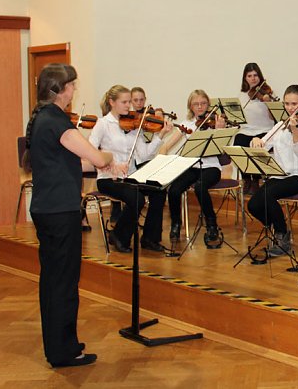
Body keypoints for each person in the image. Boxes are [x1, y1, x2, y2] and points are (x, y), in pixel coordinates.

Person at [25, 63, 113, 367]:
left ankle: (58, 346)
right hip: (60, 211)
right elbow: (96, 157)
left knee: (53, 280)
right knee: (63, 282)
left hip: (46, 208)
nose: (75, 90)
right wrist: (109, 158)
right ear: (60, 89)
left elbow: (71, 161)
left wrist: (105, 164)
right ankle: (64, 351)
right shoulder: (56, 120)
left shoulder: (42, 117)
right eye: (72, 85)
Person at [89, 85, 173, 253]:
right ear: (112, 102)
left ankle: (150, 238)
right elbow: (90, 150)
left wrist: (161, 134)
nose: (129, 106)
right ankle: (119, 235)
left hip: (130, 176)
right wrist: (111, 165)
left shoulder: (133, 124)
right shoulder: (103, 124)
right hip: (108, 178)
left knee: (159, 190)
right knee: (137, 198)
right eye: (124, 102)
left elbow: (145, 154)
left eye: (129, 102)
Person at [248, 85, 298, 258]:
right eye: (287, 104)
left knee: (268, 196)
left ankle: (282, 234)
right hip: (279, 175)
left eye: (294, 104)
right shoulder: (280, 125)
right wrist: (256, 140)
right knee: (253, 204)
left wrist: (296, 132)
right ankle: (277, 225)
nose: (290, 108)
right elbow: (263, 144)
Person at [161, 90, 228, 247]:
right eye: (196, 104)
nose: (200, 107)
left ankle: (212, 225)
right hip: (191, 166)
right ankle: (176, 224)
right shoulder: (187, 124)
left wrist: (220, 130)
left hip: (211, 167)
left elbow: (223, 149)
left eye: (203, 103)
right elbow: (167, 146)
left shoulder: (215, 123)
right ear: (190, 106)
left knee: (200, 187)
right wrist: (162, 157)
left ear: (208, 105)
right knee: (174, 189)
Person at [236, 63, 277, 148]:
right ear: (245, 78)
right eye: (249, 76)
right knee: (238, 141)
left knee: (260, 146)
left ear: (260, 76)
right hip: (246, 131)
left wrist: (269, 103)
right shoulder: (242, 94)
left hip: (265, 130)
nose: (253, 78)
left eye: (255, 75)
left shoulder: (268, 93)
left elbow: (274, 117)